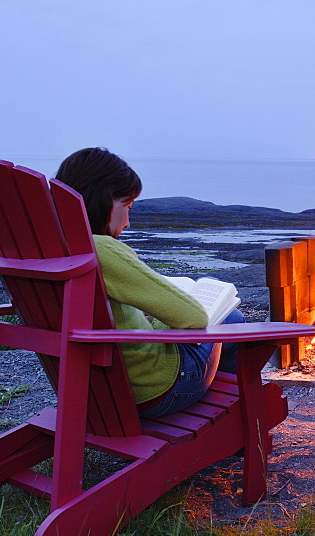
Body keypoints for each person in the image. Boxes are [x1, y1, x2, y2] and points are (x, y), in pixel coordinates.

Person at [55, 147, 244, 418]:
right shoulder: (101, 250)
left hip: (91, 390)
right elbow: (193, 317)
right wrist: (161, 318)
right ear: (104, 199)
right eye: (127, 207)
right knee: (232, 317)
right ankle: (231, 420)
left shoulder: (50, 249)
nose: (128, 222)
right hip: (153, 390)